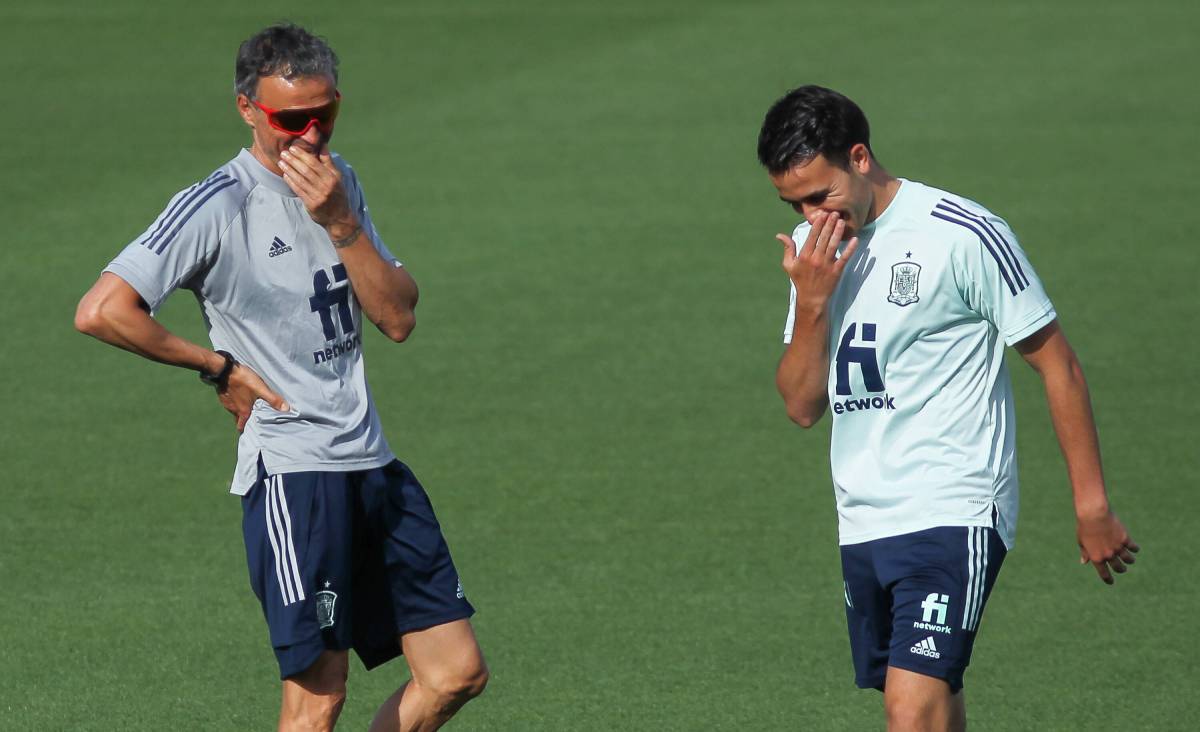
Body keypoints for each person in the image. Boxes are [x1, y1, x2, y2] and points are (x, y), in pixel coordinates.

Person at [75, 23, 486, 731]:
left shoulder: (340, 182)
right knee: (317, 701)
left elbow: (397, 317)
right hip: (296, 478)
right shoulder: (217, 204)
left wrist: (339, 221)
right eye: (289, 119)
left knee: (456, 674)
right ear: (246, 108)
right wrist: (217, 367)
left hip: (373, 466)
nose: (309, 133)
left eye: (324, 114)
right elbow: (102, 311)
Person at [757, 85, 1138, 731]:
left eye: (819, 196)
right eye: (793, 203)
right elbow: (800, 405)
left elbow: (1057, 363)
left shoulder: (964, 234)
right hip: (863, 516)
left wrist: (1091, 503)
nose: (810, 215)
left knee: (910, 712)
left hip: (953, 504)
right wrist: (814, 302)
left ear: (859, 157)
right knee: (931, 703)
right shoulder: (813, 255)